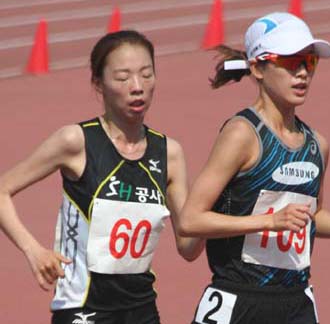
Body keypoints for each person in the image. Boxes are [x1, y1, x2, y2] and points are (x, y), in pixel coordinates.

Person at [178, 12, 330, 324]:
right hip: (239, 300)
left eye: (310, 62)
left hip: (297, 304)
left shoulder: (317, 144)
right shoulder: (243, 134)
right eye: (291, 62)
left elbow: (311, 216)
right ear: (257, 68)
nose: (303, 73)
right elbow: (190, 220)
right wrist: (268, 221)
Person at [0, 30, 204, 324]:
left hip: (142, 311)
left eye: (147, 75)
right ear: (99, 84)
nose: (138, 87)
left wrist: (218, 201)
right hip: (82, 310)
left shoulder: (169, 153)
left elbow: (188, 247)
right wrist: (34, 251)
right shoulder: (76, 141)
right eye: (123, 78)